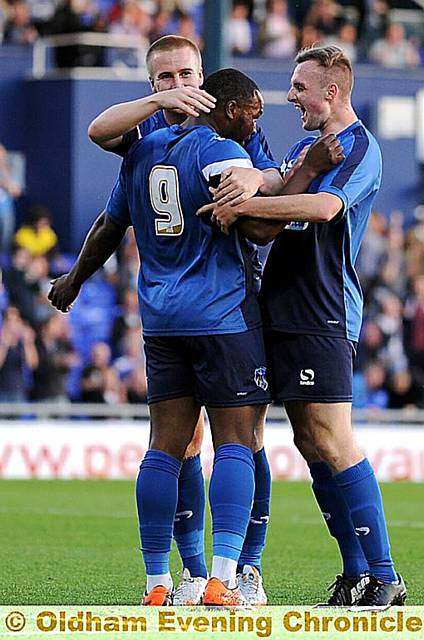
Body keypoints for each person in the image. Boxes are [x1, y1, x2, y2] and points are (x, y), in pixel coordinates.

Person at [49, 68, 276, 608]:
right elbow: (263, 228)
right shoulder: (222, 151)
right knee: (236, 444)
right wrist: (279, 188)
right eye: (251, 111)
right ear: (221, 106)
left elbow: (109, 225)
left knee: (163, 450)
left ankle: (157, 583)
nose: (254, 121)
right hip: (221, 318)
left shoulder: (142, 152)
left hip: (161, 319)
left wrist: (74, 281)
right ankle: (221, 581)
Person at [202, 46, 406, 609]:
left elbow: (320, 208)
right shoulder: (303, 147)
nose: (289, 96)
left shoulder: (363, 147)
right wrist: (252, 185)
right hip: (281, 306)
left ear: (331, 91)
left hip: (324, 308)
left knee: (334, 437)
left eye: (298, 86)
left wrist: (245, 208)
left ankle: (386, 574)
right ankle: (355, 572)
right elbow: (280, 180)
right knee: (309, 440)